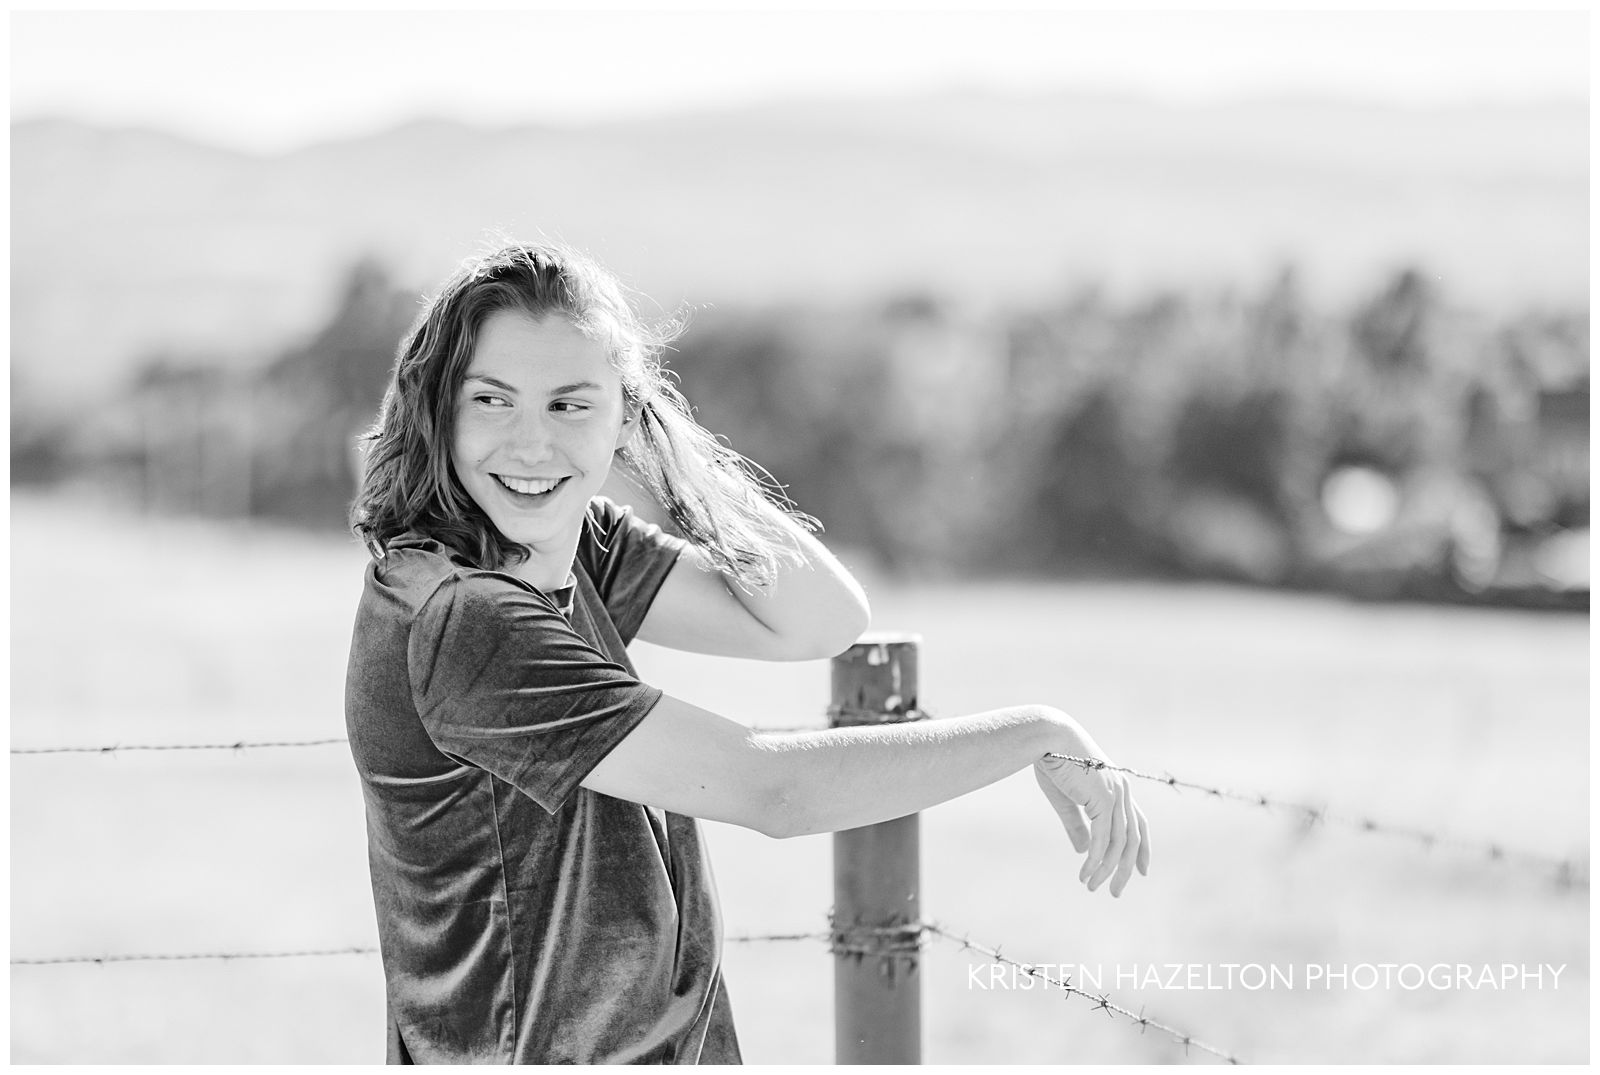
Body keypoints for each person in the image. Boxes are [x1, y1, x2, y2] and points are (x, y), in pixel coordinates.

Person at [344, 241, 1151, 1065]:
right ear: (438, 407)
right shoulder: (464, 619)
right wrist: (1032, 733)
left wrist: (667, 448)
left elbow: (819, 616)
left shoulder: (564, 549)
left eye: (569, 406)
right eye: (493, 399)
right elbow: (775, 790)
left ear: (625, 415)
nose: (530, 447)